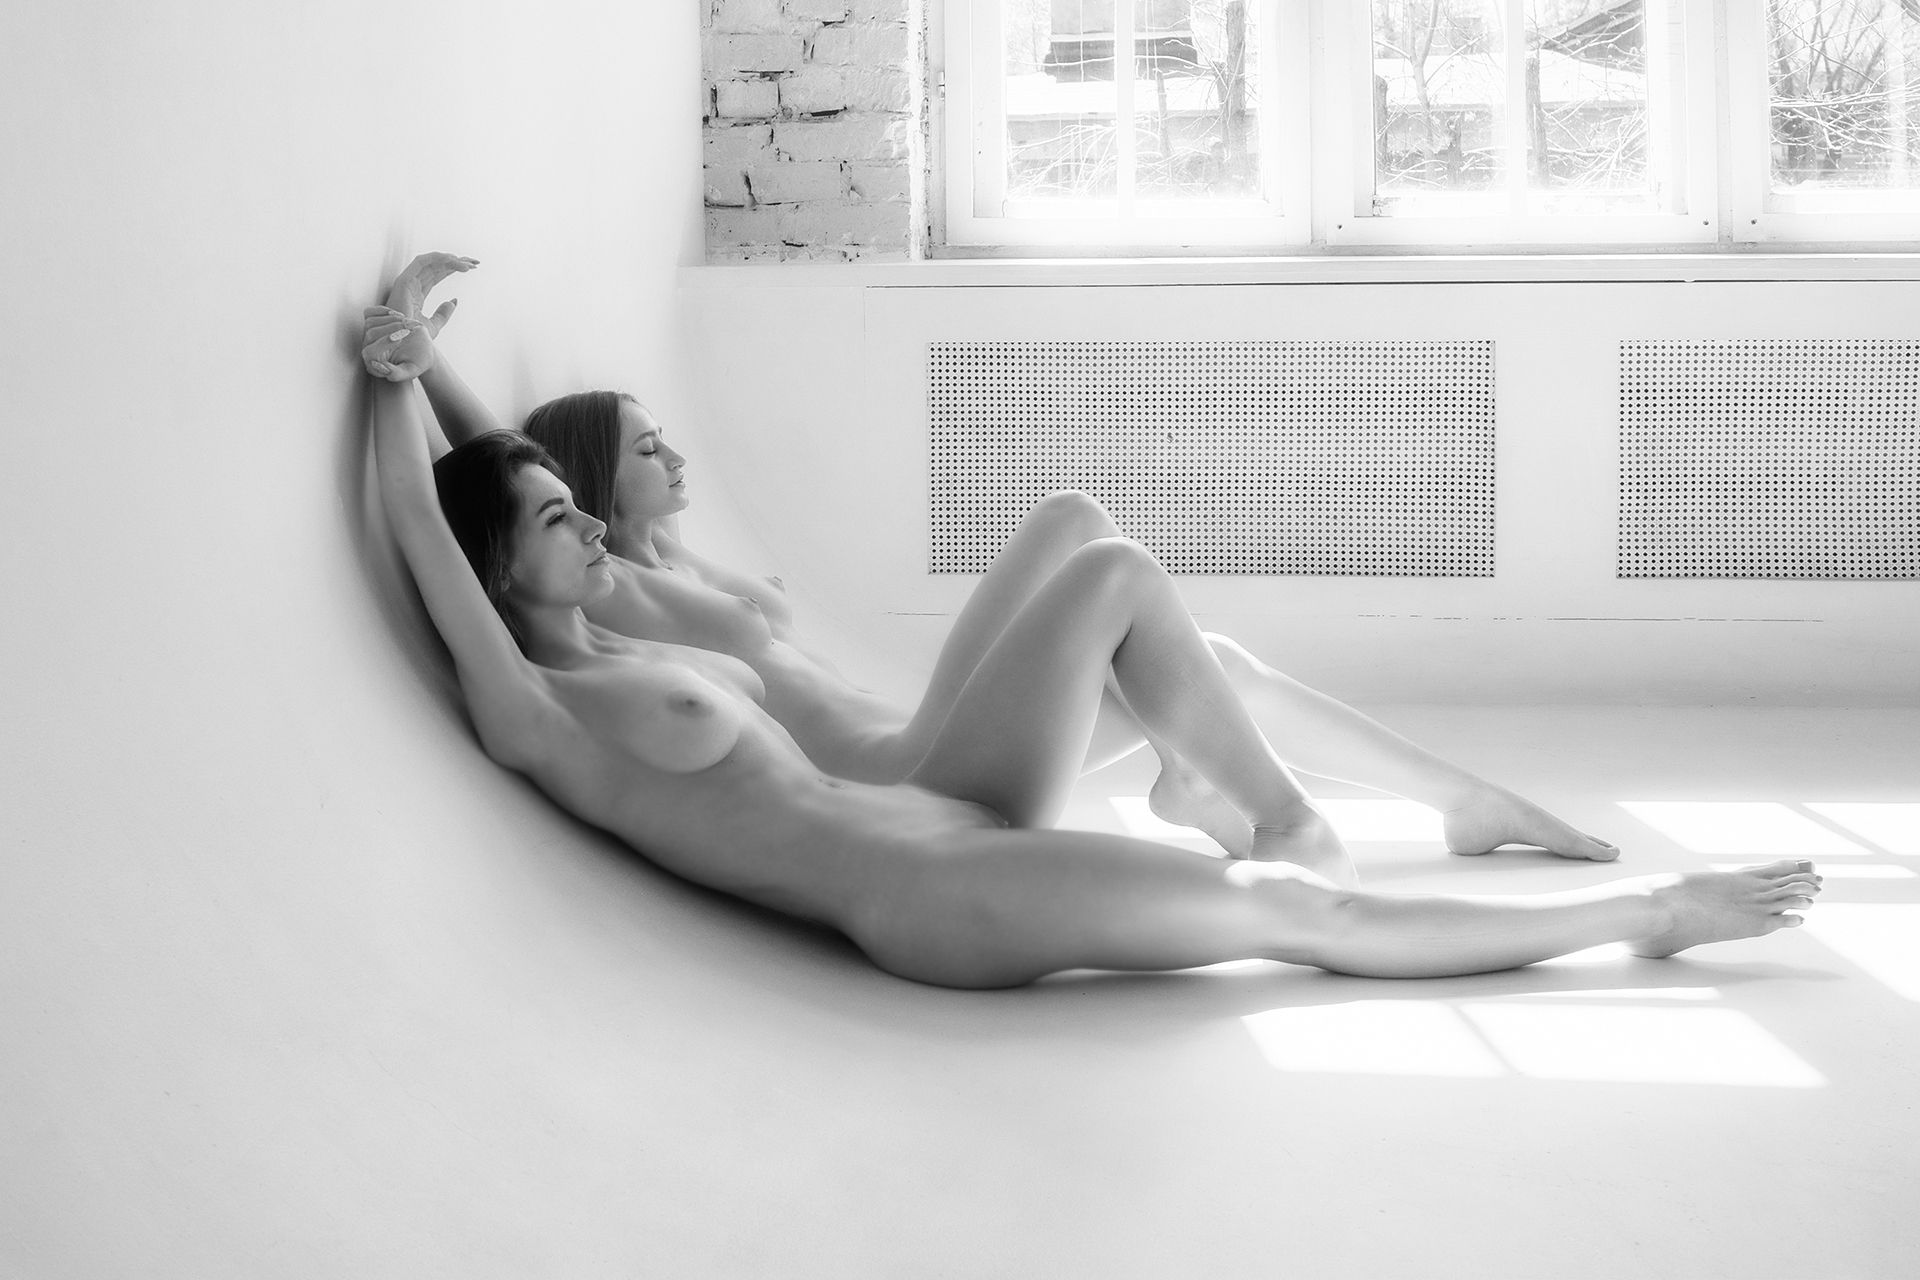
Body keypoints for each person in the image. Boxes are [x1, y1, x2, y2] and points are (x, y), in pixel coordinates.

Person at [361, 285, 1822, 989]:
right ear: (501, 574)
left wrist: (435, 372)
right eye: (559, 521)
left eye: (583, 505)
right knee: (1296, 913)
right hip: (925, 892)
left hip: (939, 806)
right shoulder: (538, 709)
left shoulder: (635, 638)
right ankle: (1647, 914)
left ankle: (1353, 803)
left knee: (1132, 587)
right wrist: (391, 386)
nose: (592, 527)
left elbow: (507, 478)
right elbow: (439, 526)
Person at [367, 253, 1619, 877]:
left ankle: (1457, 799)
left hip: (920, 725)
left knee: (1153, 597)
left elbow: (527, 472)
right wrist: (421, 365)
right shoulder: (621, 595)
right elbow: (497, 461)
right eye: (645, 448)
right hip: (914, 770)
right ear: (585, 483)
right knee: (1113, 569)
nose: (673, 455)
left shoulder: (667, 561)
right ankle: (1286, 824)